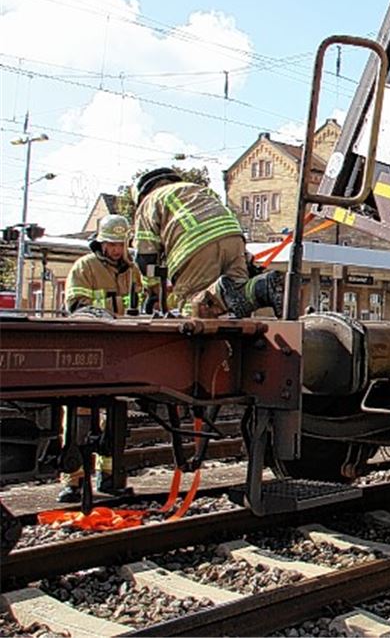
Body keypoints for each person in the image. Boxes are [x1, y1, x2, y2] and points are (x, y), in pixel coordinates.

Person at [59, 214, 141, 501]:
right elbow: (76, 306)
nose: (117, 250)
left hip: (119, 352)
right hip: (87, 349)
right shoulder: (85, 268)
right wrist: (111, 315)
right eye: (111, 244)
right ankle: (74, 481)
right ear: (101, 242)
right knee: (80, 415)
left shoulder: (133, 271)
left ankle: (110, 476)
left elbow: (143, 304)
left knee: (116, 415)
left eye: (121, 244)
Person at [132, 167, 283, 317]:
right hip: (234, 238)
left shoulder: (149, 202)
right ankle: (262, 287)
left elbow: (146, 257)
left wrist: (152, 290)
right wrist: (245, 257)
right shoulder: (197, 190)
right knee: (238, 301)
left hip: (194, 245)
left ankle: (220, 298)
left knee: (195, 307)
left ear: (142, 195)